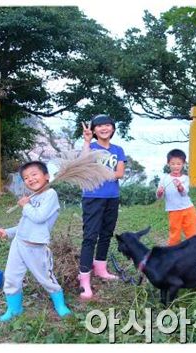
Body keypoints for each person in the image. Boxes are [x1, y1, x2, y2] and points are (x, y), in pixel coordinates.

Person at [0, 161, 71, 322]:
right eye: (26, 177)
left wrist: (26, 205)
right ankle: (14, 309)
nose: (30, 179)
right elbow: (25, 224)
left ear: (46, 176)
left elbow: (39, 217)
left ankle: (60, 305)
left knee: (46, 278)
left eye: (34, 174)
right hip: (19, 243)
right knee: (11, 277)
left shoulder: (51, 195)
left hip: (36, 247)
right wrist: (7, 232)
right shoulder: (32, 197)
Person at [78, 114, 126, 300]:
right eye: (100, 126)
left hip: (112, 197)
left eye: (108, 125)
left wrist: (97, 173)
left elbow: (120, 173)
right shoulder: (91, 148)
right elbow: (83, 165)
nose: (104, 128)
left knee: (106, 234)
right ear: (94, 130)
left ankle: (100, 269)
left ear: (113, 128)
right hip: (92, 198)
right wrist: (87, 142)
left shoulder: (118, 150)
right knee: (90, 237)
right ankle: (84, 280)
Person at [156, 149, 196, 246]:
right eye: (173, 164)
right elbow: (159, 196)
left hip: (188, 209)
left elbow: (184, 193)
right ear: (168, 164)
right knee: (174, 235)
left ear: (183, 164)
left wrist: (180, 187)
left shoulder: (185, 178)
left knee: (192, 234)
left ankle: (195, 251)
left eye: (179, 164)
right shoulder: (164, 179)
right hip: (174, 211)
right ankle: (173, 253)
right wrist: (159, 192)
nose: (176, 166)